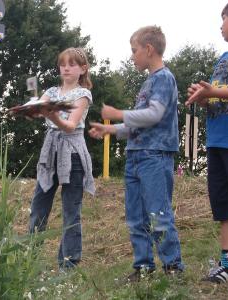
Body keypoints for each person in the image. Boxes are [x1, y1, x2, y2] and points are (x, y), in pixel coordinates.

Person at [89, 26, 184, 281]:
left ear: (149, 49)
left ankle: (172, 266)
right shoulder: (148, 82)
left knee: (158, 213)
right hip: (136, 155)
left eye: (134, 51)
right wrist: (111, 130)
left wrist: (118, 114)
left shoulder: (164, 78)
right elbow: (139, 122)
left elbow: (154, 115)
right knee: (135, 216)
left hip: (154, 156)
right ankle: (143, 267)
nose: (132, 56)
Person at [186, 0, 228, 287]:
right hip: (218, 140)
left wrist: (216, 89)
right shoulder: (223, 58)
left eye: (223, 19)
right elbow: (218, 95)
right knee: (225, 207)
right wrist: (204, 96)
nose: (220, 26)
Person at [28, 47, 95, 270]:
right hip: (50, 153)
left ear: (82, 69)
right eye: (63, 64)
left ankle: (68, 265)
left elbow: (70, 126)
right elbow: (37, 110)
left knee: (70, 212)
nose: (66, 68)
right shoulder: (51, 91)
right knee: (38, 207)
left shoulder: (83, 94)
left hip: (73, 154)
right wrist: (29, 108)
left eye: (72, 64)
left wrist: (52, 114)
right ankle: (29, 260)